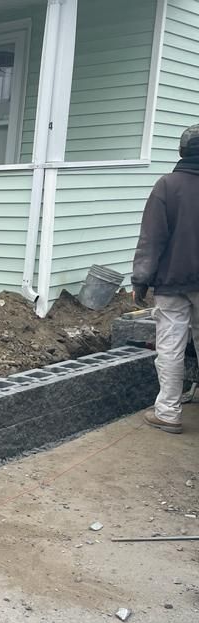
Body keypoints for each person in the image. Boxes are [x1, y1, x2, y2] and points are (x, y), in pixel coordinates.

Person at [132, 124, 199, 434]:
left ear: (181, 151)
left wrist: (139, 282)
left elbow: (151, 239)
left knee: (170, 347)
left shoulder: (167, 186)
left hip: (172, 282)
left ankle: (168, 413)